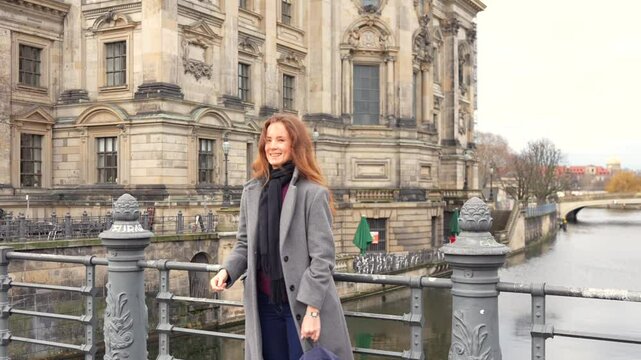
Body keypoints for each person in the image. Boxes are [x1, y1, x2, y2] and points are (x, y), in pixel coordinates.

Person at [210, 113, 353, 360]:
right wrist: (228, 271)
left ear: (294, 146)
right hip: (263, 304)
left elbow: (323, 258)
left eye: (280, 140)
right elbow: (245, 243)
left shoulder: (312, 193)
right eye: (268, 140)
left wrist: (313, 311)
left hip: (300, 304)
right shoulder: (252, 191)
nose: (272, 147)